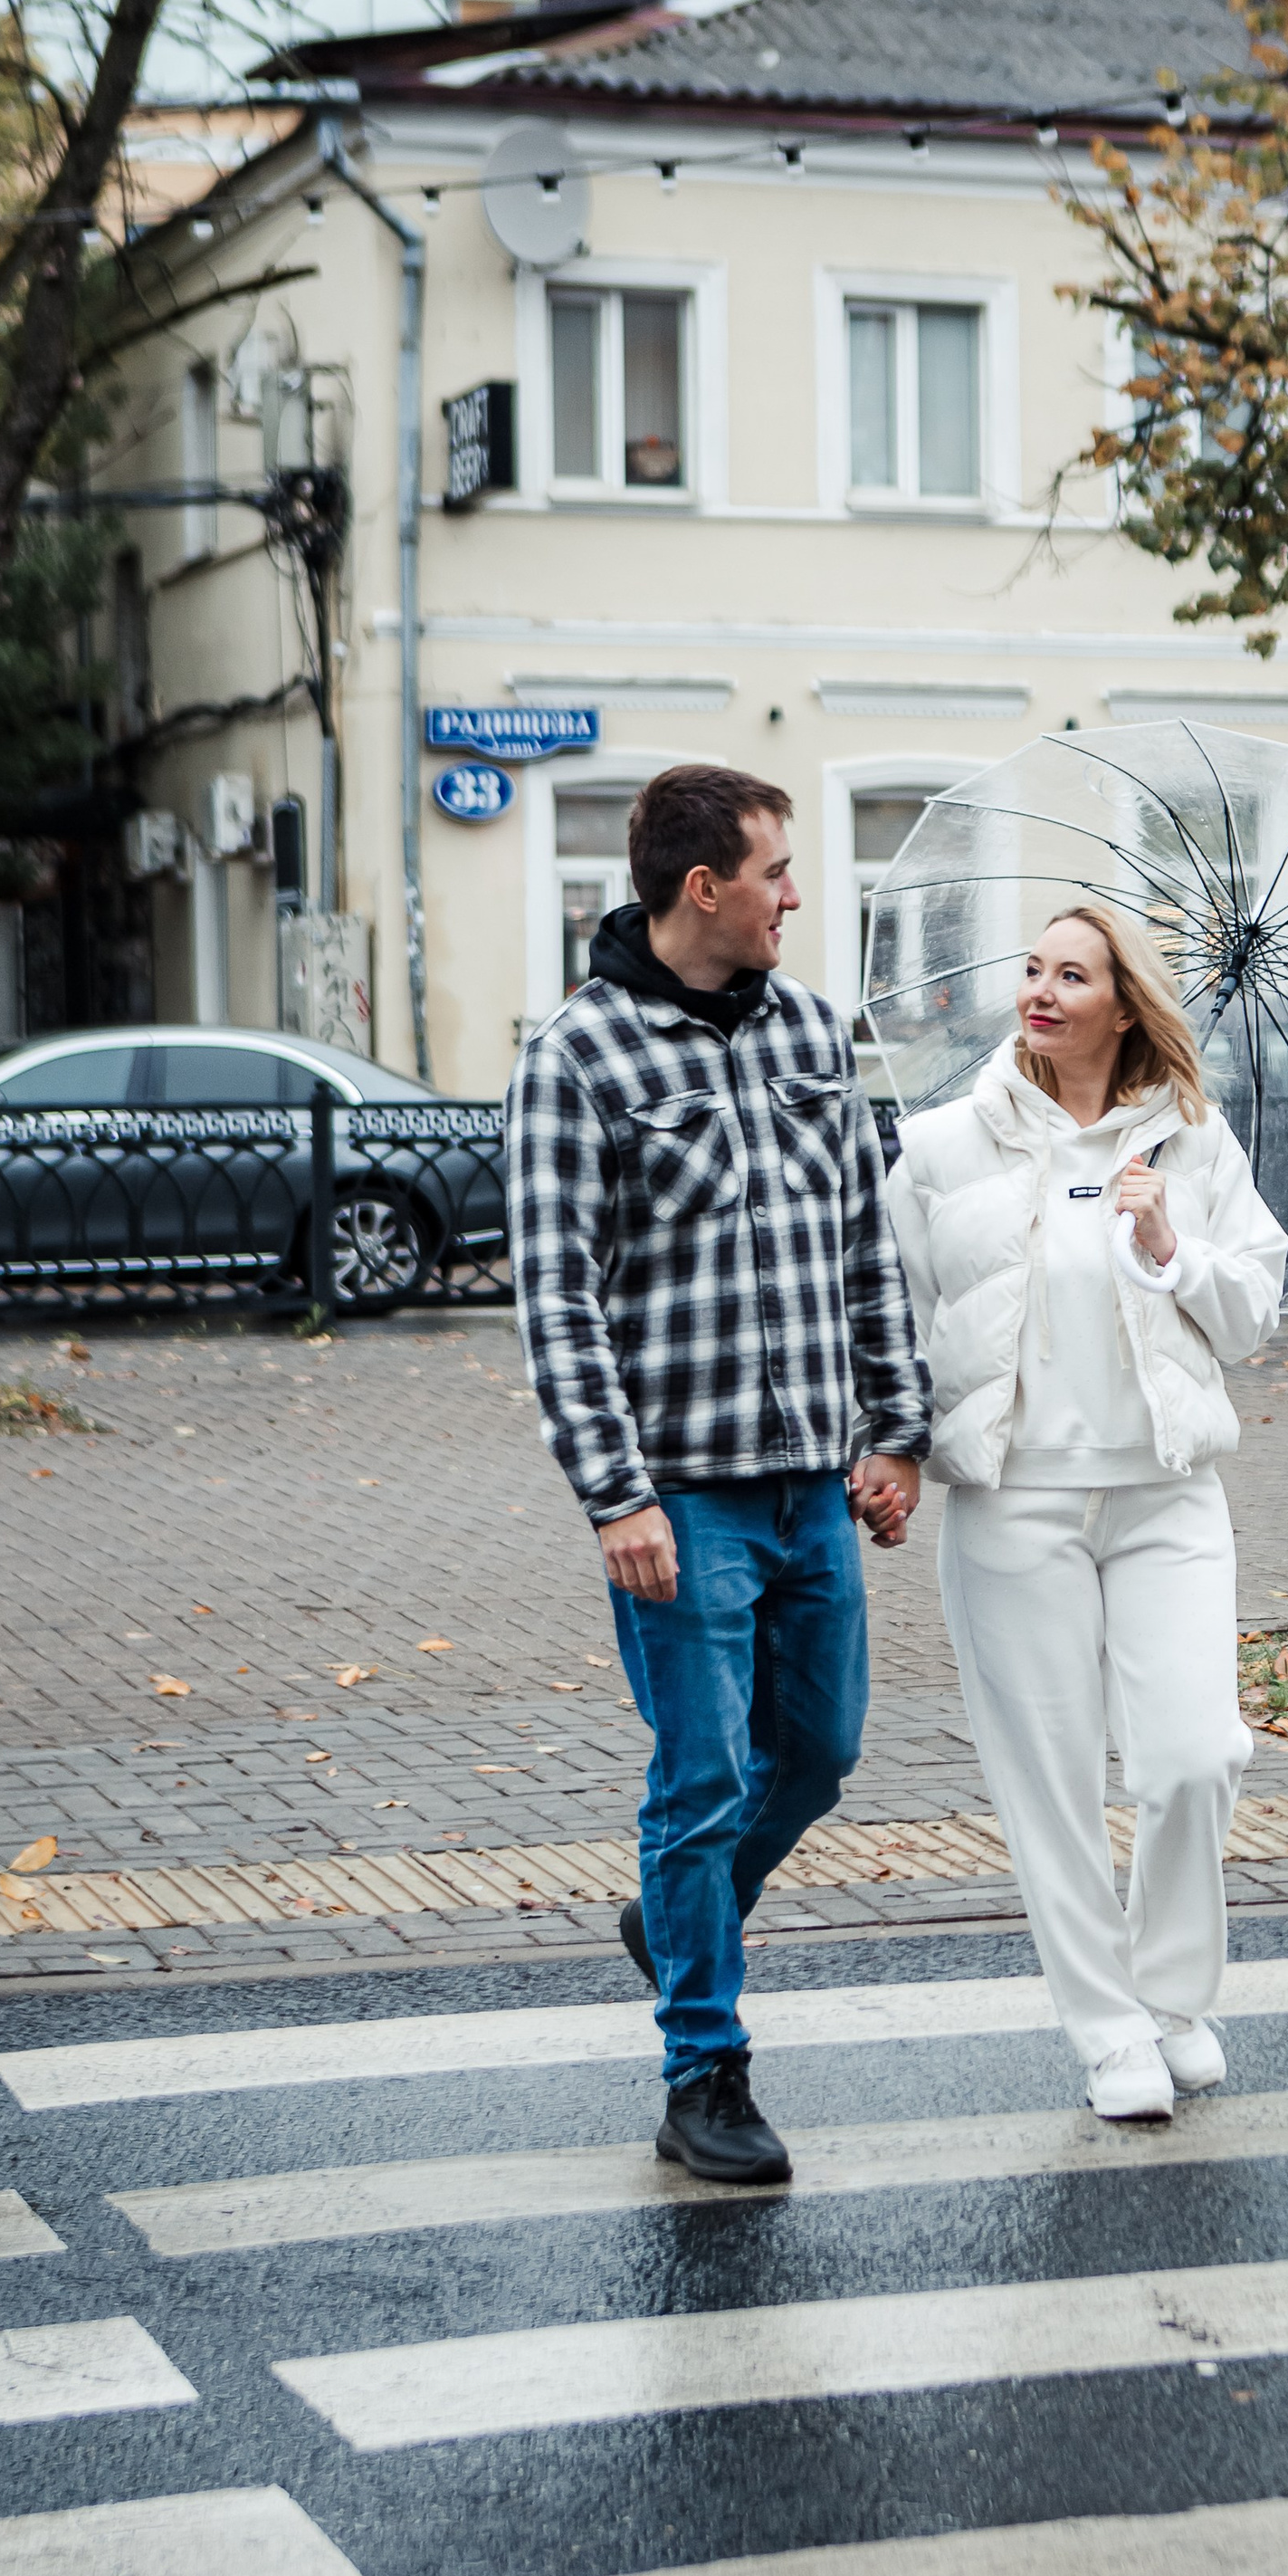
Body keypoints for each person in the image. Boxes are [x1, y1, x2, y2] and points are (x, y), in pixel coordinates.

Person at [508, 763, 929, 2186]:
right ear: (706, 889)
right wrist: (614, 1493)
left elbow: (869, 1247)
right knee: (703, 1778)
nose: (797, 895)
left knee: (817, 1752)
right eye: (779, 872)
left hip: (818, 1480)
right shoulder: (578, 1057)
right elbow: (556, 1301)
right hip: (680, 1496)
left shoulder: (813, 1029)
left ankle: (676, 1915)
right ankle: (706, 2069)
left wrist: (897, 1429)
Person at [886, 905, 1287, 2125]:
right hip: (1017, 1504)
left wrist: (1170, 1243)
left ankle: (1170, 1994)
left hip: (1166, 1493)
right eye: (1032, 969)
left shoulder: (1193, 1142)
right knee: (1050, 1781)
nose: (1041, 991)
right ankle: (1109, 2027)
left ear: (1127, 1002)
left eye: (1074, 973)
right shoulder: (945, 1145)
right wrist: (893, 1449)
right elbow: (892, 1312)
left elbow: (1253, 1317)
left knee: (1195, 1754)